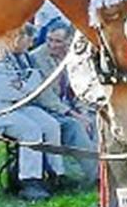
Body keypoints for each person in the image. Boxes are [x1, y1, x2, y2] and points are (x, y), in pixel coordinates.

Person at [0, 24, 69, 201]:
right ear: (17, 38)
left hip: (17, 106)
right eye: (28, 40)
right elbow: (6, 92)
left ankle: (56, 174)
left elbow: (36, 83)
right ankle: (30, 181)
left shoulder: (22, 56)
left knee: (51, 125)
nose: (31, 44)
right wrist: (25, 88)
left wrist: (22, 86)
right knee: (30, 130)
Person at [28, 23, 98, 185]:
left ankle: (110, 167)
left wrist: (84, 111)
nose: (52, 45)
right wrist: (75, 115)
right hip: (47, 109)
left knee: (96, 121)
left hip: (70, 105)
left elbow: (82, 85)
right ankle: (97, 175)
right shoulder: (37, 58)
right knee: (75, 126)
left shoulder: (76, 56)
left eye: (58, 41)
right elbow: (45, 97)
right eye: (49, 40)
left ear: (69, 41)